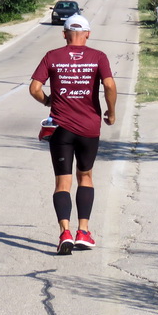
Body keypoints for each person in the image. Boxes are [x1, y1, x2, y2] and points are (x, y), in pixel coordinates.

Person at [29, 13, 117, 255]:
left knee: (62, 181)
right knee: (85, 176)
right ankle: (83, 232)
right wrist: (111, 112)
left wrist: (48, 101)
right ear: (87, 34)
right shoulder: (98, 57)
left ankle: (65, 232)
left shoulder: (52, 56)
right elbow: (109, 85)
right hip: (89, 127)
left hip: (61, 128)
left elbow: (34, 88)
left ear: (64, 34)